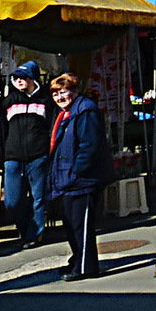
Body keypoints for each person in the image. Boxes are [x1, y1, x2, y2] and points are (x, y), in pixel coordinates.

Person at [46, 73, 114, 281]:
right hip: (69, 179)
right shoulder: (65, 113)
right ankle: (77, 260)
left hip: (83, 180)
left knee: (81, 226)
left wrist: (76, 171)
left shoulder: (86, 111)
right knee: (71, 225)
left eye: (63, 92)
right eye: (56, 93)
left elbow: (89, 147)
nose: (59, 97)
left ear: (75, 91)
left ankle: (86, 267)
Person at [0, 60, 52, 250]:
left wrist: (49, 152)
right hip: (13, 157)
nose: (19, 81)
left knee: (38, 197)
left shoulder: (46, 100)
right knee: (12, 201)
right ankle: (25, 228)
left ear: (33, 77)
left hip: (38, 155)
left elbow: (51, 128)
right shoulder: (9, 101)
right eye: (16, 77)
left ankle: (33, 235)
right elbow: (2, 132)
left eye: (24, 77)